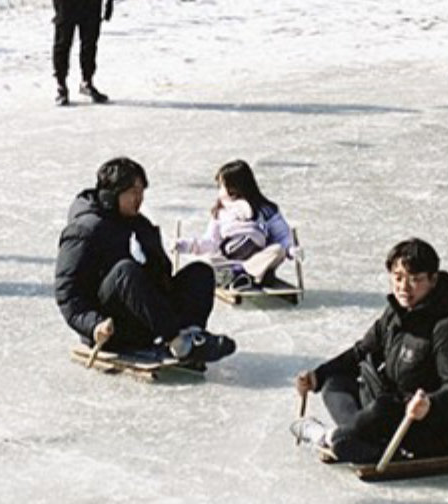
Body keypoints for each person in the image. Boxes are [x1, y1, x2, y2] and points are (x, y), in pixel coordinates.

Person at [293, 239, 448, 463]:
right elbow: (361, 352)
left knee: (384, 408)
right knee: (335, 382)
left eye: (415, 279)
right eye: (398, 277)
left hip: (434, 428)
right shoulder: (395, 314)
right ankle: (353, 439)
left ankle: (332, 437)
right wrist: (318, 376)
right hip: (393, 411)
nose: (404, 287)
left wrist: (430, 404)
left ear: (433, 280)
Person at [54, 157, 236, 368]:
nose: (139, 199)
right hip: (113, 329)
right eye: (133, 192)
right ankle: (179, 342)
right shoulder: (84, 230)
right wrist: (94, 326)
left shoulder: (139, 223)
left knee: (200, 272)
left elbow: (163, 274)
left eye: (141, 192)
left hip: (149, 321)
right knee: (126, 271)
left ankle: (190, 336)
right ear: (113, 194)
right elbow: (68, 295)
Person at [175, 159, 300, 289]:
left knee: (278, 250)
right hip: (229, 261)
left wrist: (290, 250)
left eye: (221, 186)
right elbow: (211, 242)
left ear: (234, 188)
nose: (219, 191)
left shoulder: (265, 210)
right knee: (208, 261)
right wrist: (188, 245)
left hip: (257, 261)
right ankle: (238, 275)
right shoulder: (221, 212)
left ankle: (240, 274)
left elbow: (282, 236)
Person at [52, 0, 114, 106]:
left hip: (91, 4)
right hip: (66, 4)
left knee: (90, 42)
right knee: (63, 42)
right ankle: (61, 85)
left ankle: (87, 82)